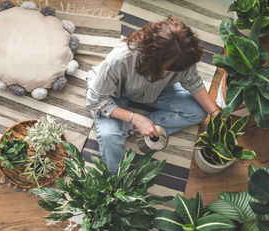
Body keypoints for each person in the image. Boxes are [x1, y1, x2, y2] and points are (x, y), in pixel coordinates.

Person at [86, 15, 219, 174]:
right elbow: (95, 101)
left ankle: (132, 129)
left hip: (154, 91)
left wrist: (215, 112)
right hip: (111, 95)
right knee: (110, 137)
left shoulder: (183, 55)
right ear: (155, 59)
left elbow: (193, 81)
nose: (180, 72)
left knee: (198, 112)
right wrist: (135, 117)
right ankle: (117, 179)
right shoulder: (121, 59)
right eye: (173, 70)